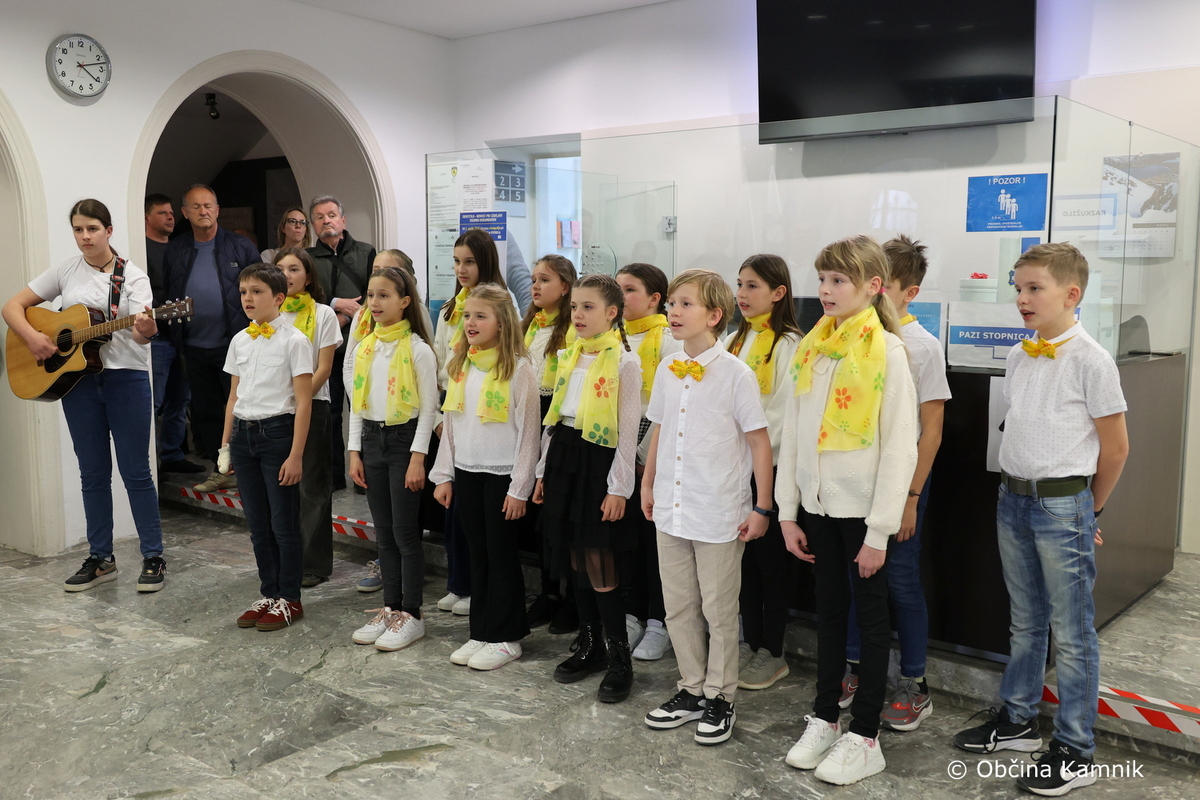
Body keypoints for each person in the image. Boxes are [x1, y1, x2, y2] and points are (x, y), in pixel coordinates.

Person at [953, 243, 1129, 797]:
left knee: (1072, 633)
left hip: (1061, 505)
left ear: (1071, 294)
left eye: (1035, 289)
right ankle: (1019, 719)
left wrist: (1089, 510)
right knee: (1025, 620)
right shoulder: (1020, 353)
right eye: (1019, 288)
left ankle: (1076, 749)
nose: (1022, 299)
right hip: (1013, 500)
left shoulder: (1092, 360)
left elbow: (1116, 448)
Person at [776, 235, 918, 786]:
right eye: (823, 279)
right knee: (830, 614)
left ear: (872, 286)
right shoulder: (814, 346)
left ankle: (865, 735)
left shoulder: (888, 351)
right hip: (817, 506)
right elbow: (794, 433)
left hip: (863, 514)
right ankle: (825, 718)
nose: (827, 290)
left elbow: (900, 447)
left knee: (872, 621)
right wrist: (787, 510)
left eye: (839, 280)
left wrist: (879, 532)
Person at [2, 199, 166, 592]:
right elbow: (12, 307)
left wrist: (147, 328)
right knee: (92, 473)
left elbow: (142, 334)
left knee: (136, 472)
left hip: (126, 380)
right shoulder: (65, 270)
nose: (85, 236)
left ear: (108, 231)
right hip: (78, 384)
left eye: (92, 229)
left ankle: (153, 556)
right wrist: (34, 338)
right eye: (78, 229)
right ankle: (101, 558)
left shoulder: (132, 277)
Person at [641, 269, 773, 746]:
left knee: (719, 610)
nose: (673, 312)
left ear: (714, 315)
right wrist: (648, 483)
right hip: (672, 505)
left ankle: (721, 696)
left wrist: (763, 507)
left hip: (718, 509)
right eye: (671, 304)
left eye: (685, 304)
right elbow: (659, 428)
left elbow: (759, 443)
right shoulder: (667, 366)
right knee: (678, 606)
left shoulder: (737, 374)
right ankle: (691, 689)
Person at [839, 235, 951, 730]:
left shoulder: (921, 346)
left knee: (901, 579)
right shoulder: (852, 334)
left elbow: (931, 431)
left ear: (909, 292)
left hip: (903, 485)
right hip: (858, 482)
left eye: (883, 286)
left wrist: (909, 498)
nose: (874, 294)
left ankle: (914, 682)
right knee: (858, 574)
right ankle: (856, 668)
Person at [534, 274, 642, 703]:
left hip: (600, 462)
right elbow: (554, 419)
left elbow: (629, 430)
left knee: (599, 559)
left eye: (588, 307)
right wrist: (541, 472)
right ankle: (591, 644)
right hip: (565, 457)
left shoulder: (624, 363)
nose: (577, 314)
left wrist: (619, 488)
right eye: (574, 306)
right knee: (575, 557)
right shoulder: (568, 355)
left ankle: (619, 658)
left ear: (612, 313)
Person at [431, 283, 540, 670]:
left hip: (502, 476)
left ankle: (507, 637)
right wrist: (444, 474)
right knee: (477, 554)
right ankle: (482, 631)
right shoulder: (462, 363)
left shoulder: (519, 369)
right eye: (467, 315)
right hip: (467, 472)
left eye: (481, 316)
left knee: (501, 556)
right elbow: (452, 423)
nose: (471, 323)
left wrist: (519, 488)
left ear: (502, 322)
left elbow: (529, 435)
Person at [346, 266, 438, 652]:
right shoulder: (365, 347)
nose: (375, 302)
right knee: (383, 534)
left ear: (404, 302)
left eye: (384, 295)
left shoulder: (418, 349)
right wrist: (354, 451)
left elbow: (429, 408)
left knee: (404, 534)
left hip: (404, 442)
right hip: (371, 439)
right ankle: (391, 608)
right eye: (371, 295)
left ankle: (412, 613)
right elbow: (358, 403)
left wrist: (418, 458)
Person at [724, 254, 802, 691]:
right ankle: (750, 642)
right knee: (744, 561)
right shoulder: (734, 339)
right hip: (734, 467)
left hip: (768, 467)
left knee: (771, 564)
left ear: (778, 292)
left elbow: (782, 415)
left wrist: (750, 447)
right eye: (739, 284)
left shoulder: (789, 343)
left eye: (752, 285)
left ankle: (773, 651)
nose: (742, 294)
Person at [223, 263, 314, 632]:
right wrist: (225, 445)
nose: (248, 298)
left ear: (278, 298)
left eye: (257, 291)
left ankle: (289, 597)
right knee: (257, 525)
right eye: (244, 291)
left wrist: (295, 455)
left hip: (277, 434)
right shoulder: (240, 340)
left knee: (282, 523)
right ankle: (269, 592)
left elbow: (304, 402)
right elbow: (233, 397)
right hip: (243, 435)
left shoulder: (295, 341)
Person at [431, 228, 514, 617]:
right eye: (456, 262)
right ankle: (459, 582)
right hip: (455, 408)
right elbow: (440, 358)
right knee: (455, 514)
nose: (461, 269)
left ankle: (478, 593)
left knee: (484, 531)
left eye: (469, 262)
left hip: (487, 418)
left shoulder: (502, 303)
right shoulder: (451, 308)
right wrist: (440, 415)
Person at [161, 184, 261, 492]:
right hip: (193, 348)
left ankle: (248, 471)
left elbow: (262, 289)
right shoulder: (175, 250)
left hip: (236, 346)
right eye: (196, 206)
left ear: (217, 210)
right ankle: (221, 471)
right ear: (185, 212)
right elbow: (167, 292)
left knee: (242, 410)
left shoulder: (240, 247)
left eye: (208, 206)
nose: (203, 211)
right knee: (206, 413)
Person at [615, 263, 682, 660]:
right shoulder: (616, 337)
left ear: (655, 298)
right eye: (618, 288)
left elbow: (665, 410)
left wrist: (643, 458)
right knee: (627, 541)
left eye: (630, 289)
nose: (620, 296)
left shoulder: (670, 341)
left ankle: (661, 621)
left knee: (657, 542)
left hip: (652, 448)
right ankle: (632, 612)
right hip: (620, 446)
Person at [273, 248, 343, 588]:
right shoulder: (269, 314)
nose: (287, 275)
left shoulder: (323, 313)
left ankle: (313, 564)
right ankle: (285, 558)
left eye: (294, 269)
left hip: (312, 405)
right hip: (274, 410)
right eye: (281, 269)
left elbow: (324, 368)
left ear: (309, 276)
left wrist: (298, 401)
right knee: (280, 487)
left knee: (312, 487)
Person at [520, 254, 577, 629]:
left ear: (565, 287)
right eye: (534, 279)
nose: (536, 286)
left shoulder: (572, 329)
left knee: (559, 514)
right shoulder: (529, 324)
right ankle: (548, 591)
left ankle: (571, 597)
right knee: (537, 514)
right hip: (528, 417)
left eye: (545, 280)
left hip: (556, 419)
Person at [307, 194, 377, 492]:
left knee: (364, 411)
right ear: (313, 225)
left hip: (363, 346)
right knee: (330, 414)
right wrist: (335, 304)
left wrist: (348, 317)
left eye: (332, 215)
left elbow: (376, 292)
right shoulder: (307, 258)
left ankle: (365, 478)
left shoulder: (366, 252)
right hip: (327, 349)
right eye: (320, 217)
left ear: (343, 220)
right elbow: (305, 298)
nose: (327, 221)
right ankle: (334, 476)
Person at [144, 193, 202, 475]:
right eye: (162, 213)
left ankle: (172, 454)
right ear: (146, 218)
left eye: (171, 212)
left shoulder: (180, 249)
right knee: (154, 400)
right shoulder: (141, 249)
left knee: (180, 399)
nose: (170, 217)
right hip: (157, 337)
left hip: (184, 336)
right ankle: (150, 462)